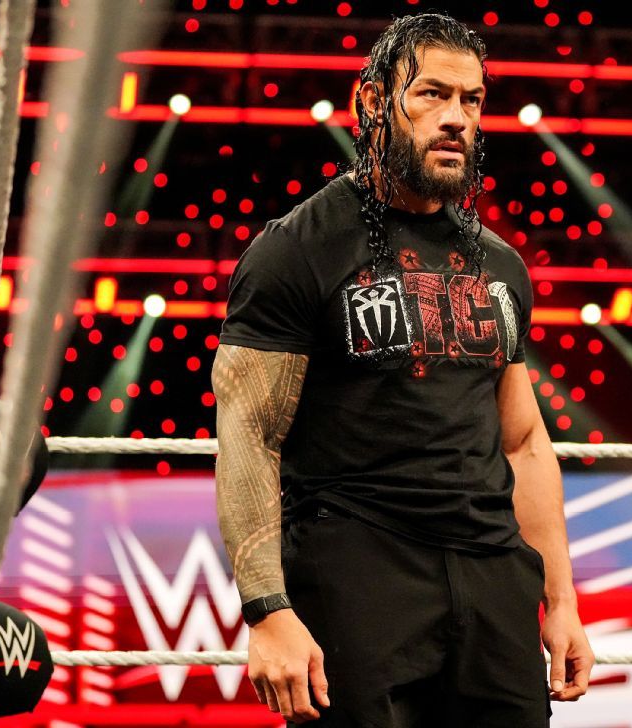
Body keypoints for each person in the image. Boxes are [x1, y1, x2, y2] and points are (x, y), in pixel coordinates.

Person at [213, 12, 593, 726]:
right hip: (357, 568)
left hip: (491, 574)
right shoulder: (297, 249)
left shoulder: (500, 263)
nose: (455, 118)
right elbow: (248, 437)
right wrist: (267, 611)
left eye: (471, 100)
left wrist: (563, 602)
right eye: (432, 94)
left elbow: (522, 443)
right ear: (373, 101)